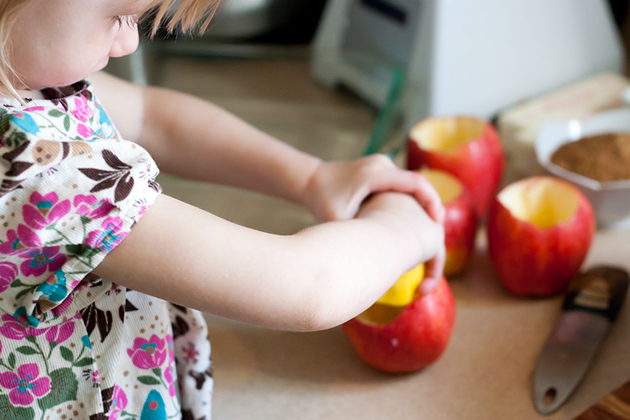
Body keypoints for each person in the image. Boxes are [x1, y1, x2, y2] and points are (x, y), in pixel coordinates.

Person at [0, 0, 445, 418]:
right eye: (119, 16)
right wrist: (407, 227)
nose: (128, 44)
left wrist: (312, 178)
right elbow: (307, 285)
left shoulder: (22, 71)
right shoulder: (40, 176)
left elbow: (155, 118)